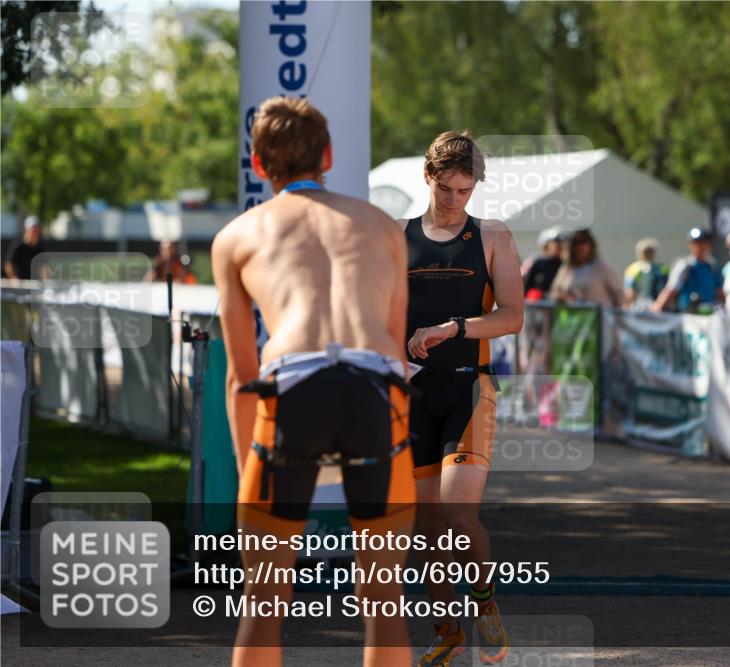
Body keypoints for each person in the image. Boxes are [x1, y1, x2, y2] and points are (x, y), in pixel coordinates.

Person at [211, 97, 415, 667]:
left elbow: (241, 377)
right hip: (374, 389)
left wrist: (252, 463)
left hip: (292, 387)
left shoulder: (235, 236)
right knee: (384, 601)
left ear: (258, 164)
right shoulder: (381, 227)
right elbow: (396, 353)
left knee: (263, 602)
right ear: (328, 154)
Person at [401, 130, 523, 666]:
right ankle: (447, 632)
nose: (454, 202)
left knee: (456, 512)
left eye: (465, 192)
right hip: (414, 396)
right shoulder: (396, 237)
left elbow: (512, 316)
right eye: (446, 189)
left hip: (469, 387)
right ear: (427, 178)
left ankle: (485, 603)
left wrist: (453, 328)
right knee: (426, 527)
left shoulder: (492, 235)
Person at [651, 227, 723, 313]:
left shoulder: (712, 266)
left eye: (704, 242)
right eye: (697, 243)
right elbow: (671, 289)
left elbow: (719, 291)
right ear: (690, 245)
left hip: (709, 315)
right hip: (689, 315)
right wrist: (657, 307)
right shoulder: (685, 265)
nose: (701, 246)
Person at [550, 228, 624, 307]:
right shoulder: (567, 268)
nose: (579, 246)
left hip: (599, 316)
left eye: (583, 241)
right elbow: (555, 292)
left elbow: (619, 295)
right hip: (572, 316)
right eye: (575, 242)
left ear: (591, 244)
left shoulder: (601, 266)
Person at [623, 237, 669, 310]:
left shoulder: (633, 269)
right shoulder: (663, 268)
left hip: (638, 308)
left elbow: (630, 293)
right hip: (658, 308)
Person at [523, 226, 563, 301]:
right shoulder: (537, 263)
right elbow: (527, 286)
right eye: (556, 242)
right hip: (538, 307)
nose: (559, 245)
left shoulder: (565, 264)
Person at [3, 216, 49, 280]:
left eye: (36, 229)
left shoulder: (41, 245)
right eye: (32, 228)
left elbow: (44, 266)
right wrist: (14, 279)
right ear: (26, 229)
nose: (35, 231)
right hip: (19, 284)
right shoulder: (18, 244)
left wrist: (46, 278)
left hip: (33, 283)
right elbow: (8, 264)